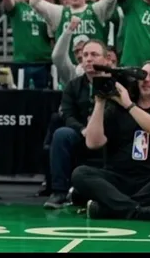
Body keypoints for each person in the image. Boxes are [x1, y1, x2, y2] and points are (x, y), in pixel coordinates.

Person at [71, 61, 150, 221]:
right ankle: (138, 211)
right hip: (117, 178)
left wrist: (129, 105)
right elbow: (93, 143)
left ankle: (110, 209)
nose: (146, 79)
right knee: (80, 173)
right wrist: (100, 103)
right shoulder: (116, 109)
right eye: (143, 76)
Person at [45, 39, 108, 209]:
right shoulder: (73, 85)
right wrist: (82, 129)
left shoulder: (117, 84)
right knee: (61, 134)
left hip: (109, 134)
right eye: (85, 55)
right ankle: (59, 192)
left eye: (94, 54)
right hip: (82, 133)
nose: (88, 59)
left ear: (106, 59)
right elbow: (67, 114)